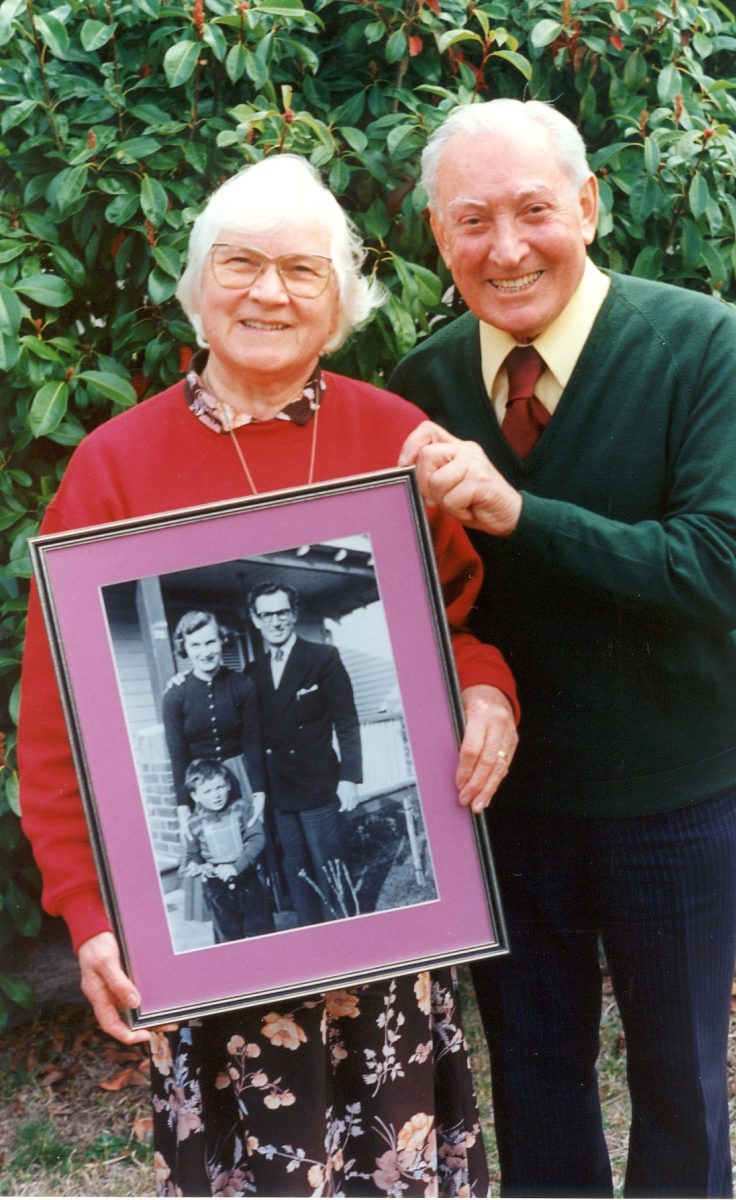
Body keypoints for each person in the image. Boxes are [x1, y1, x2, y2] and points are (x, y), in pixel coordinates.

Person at [18, 152, 518, 1197]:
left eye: (302, 269)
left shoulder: (395, 440)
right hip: (218, 978)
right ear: (196, 291)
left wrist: (485, 694)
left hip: (386, 958)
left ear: (339, 304)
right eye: (239, 264)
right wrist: (87, 908)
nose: (268, 292)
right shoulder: (112, 465)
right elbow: (60, 723)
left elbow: (459, 627)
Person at [391, 98, 736, 1198]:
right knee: (537, 1089)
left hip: (671, 794)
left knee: (681, 1090)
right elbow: (423, 608)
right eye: (472, 221)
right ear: (438, 236)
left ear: (590, 206)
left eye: (534, 211)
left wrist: (520, 514)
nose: (505, 249)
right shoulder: (424, 384)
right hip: (506, 806)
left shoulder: (700, 345)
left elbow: (715, 573)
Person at [245, 581, 362, 926]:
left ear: (293, 614)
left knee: (332, 874)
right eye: (266, 615)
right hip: (280, 796)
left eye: (281, 612)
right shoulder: (252, 672)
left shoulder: (323, 657)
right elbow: (230, 705)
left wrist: (350, 777)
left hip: (319, 788)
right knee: (298, 881)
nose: (275, 622)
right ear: (255, 620)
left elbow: (347, 721)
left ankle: (352, 948)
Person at [163, 609, 266, 830]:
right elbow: (177, 755)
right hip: (200, 786)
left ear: (222, 641)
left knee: (252, 840)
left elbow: (252, 741)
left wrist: (259, 791)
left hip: (240, 778)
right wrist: (183, 807)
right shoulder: (175, 695)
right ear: (185, 648)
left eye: (211, 642)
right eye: (196, 645)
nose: (205, 652)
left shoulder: (242, 685)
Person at [181, 758, 273, 943]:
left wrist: (237, 866)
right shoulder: (193, 822)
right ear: (195, 796)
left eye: (219, 787)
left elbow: (257, 839)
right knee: (227, 934)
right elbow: (193, 855)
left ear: (229, 785)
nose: (216, 795)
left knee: (260, 929)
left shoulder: (243, 808)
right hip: (217, 887)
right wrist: (192, 866)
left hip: (248, 879)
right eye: (207, 791)